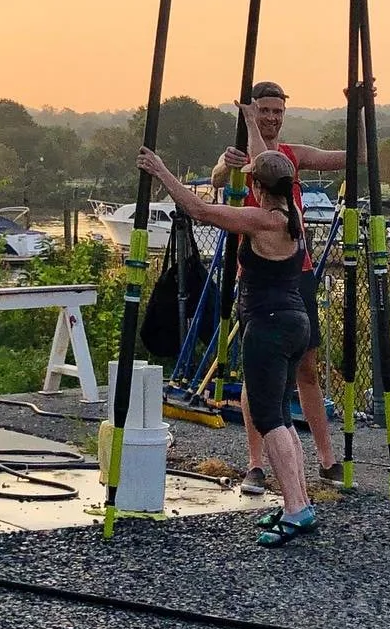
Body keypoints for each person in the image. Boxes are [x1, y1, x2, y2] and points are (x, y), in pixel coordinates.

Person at [140, 144, 317, 546]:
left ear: (257, 185)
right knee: (282, 417)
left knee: (269, 418)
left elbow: (199, 210)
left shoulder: (263, 220)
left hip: (269, 327)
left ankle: (295, 510)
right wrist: (251, 122)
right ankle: (300, 500)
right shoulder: (293, 217)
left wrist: (162, 170)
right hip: (292, 322)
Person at [210, 80, 346, 493]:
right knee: (259, 374)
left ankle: (326, 458)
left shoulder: (292, 156)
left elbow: (348, 159)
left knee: (306, 367)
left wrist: (358, 110)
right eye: (264, 111)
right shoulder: (243, 157)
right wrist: (226, 167)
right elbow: (219, 178)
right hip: (256, 276)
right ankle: (256, 464)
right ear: (252, 112)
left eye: (277, 111)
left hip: (296, 273)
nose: (271, 118)